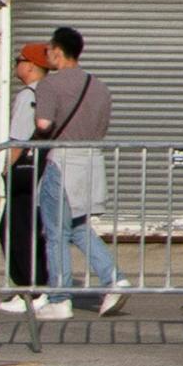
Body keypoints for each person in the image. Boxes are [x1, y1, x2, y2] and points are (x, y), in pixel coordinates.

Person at [28, 25, 124, 319]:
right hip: (92, 160)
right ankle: (114, 278)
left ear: (58, 50)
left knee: (56, 231)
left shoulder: (49, 85)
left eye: (48, 51)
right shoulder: (99, 85)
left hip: (63, 161)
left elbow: (44, 124)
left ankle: (59, 297)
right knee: (79, 226)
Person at [0, 40, 49, 307]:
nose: (16, 65)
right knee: (32, 226)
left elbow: (18, 138)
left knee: (14, 228)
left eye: (19, 60)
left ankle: (29, 287)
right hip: (45, 168)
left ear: (30, 65)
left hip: (26, 169)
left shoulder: (29, 95)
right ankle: (36, 284)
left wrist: (8, 167)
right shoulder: (52, 92)